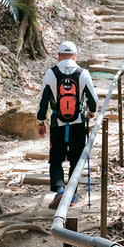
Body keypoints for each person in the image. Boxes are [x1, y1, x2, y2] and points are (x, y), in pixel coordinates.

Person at [37, 40, 99, 209]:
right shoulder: (83, 73)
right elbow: (93, 101)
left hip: (57, 124)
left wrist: (41, 121)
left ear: (58, 56)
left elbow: (43, 101)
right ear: (75, 56)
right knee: (76, 160)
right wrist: (91, 113)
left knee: (55, 160)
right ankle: (71, 195)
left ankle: (59, 190)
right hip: (78, 124)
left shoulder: (51, 73)